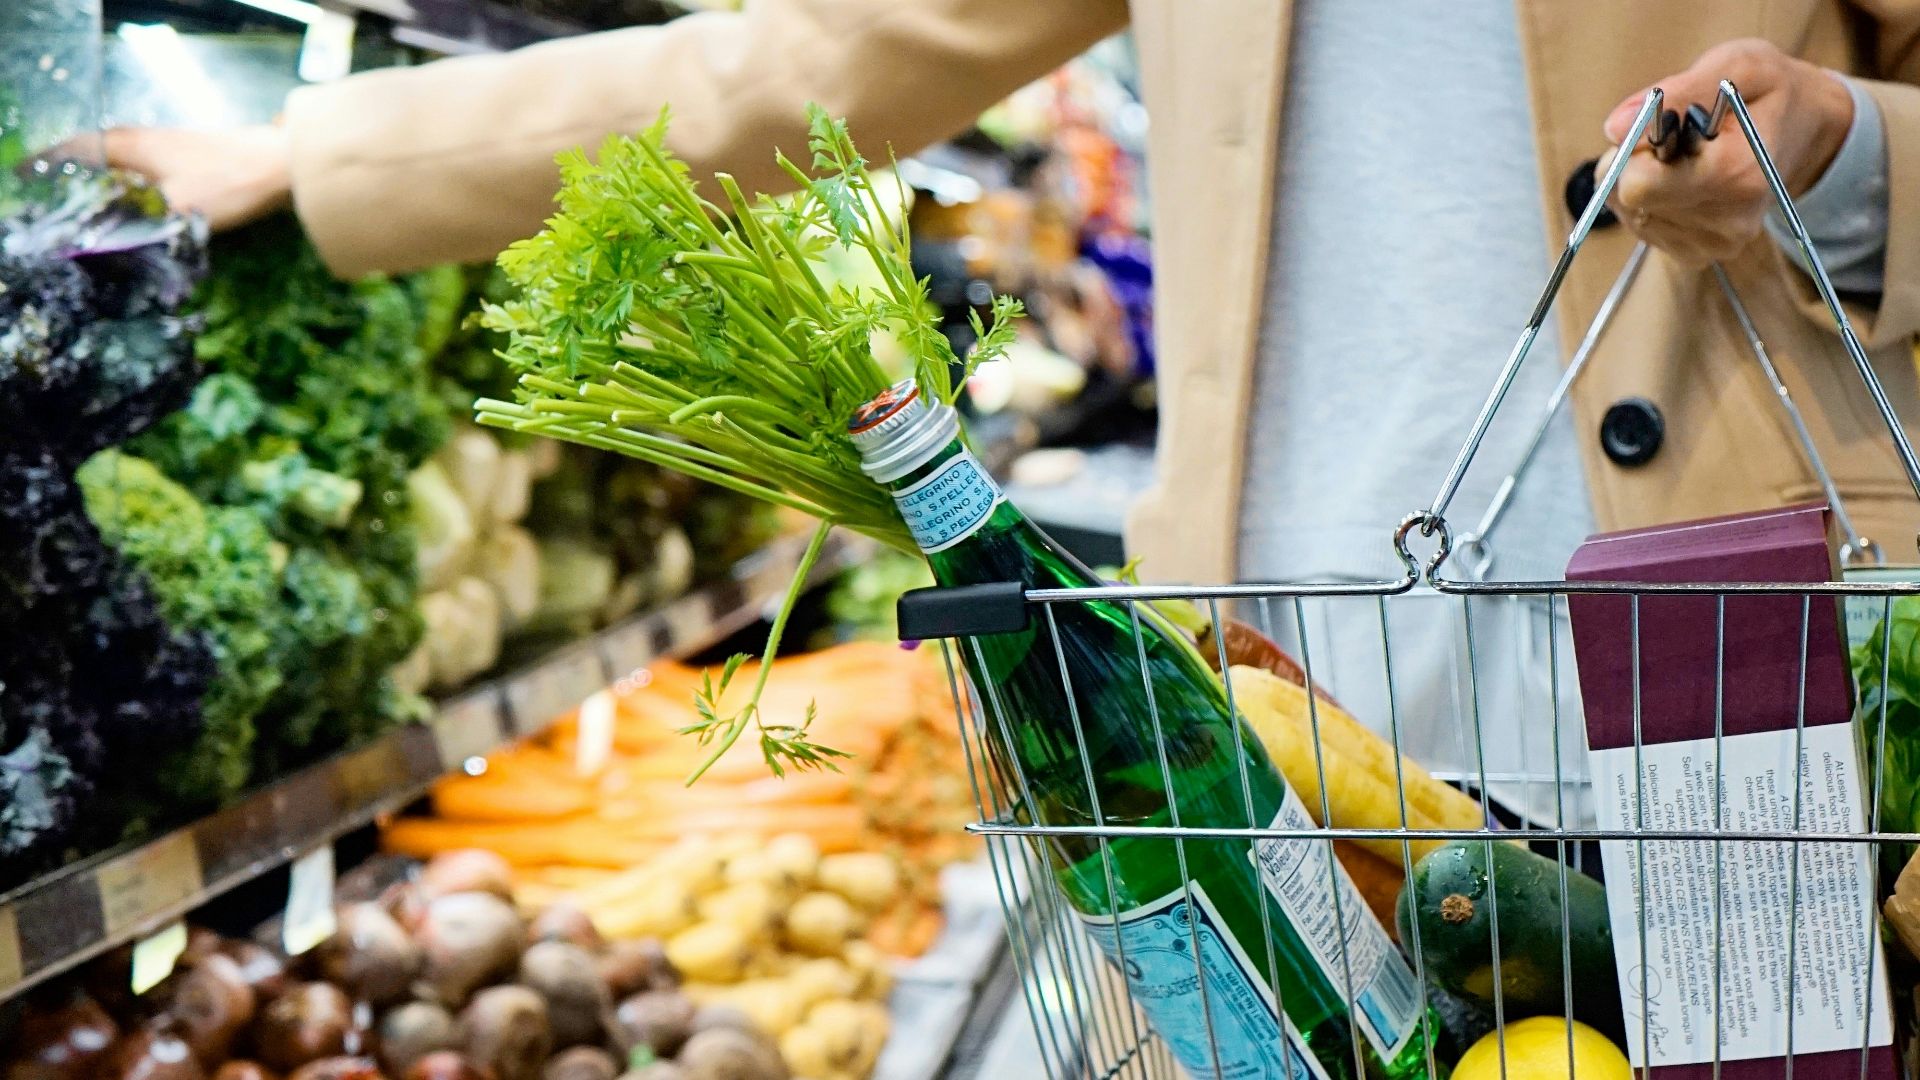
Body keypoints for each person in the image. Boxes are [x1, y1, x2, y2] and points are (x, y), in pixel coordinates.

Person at [100, 1, 1920, 825]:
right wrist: (325, 158)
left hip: (1758, 648)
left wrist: (1838, 163)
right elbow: (806, 61)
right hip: (1284, 678)